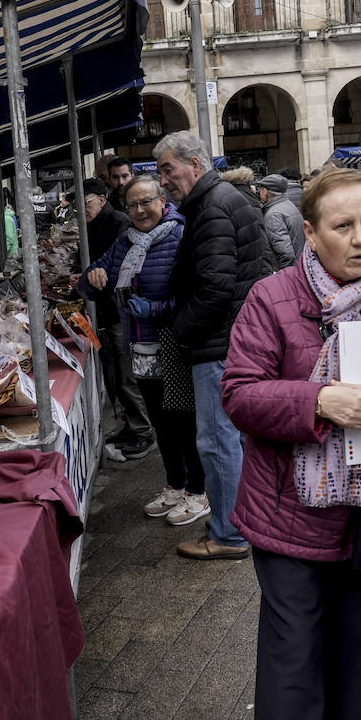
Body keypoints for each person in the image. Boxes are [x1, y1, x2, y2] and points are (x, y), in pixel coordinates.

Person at [222, 167, 361, 719]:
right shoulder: (271, 298)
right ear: (310, 233)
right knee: (291, 669)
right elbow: (240, 394)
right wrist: (316, 402)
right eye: (343, 225)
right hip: (289, 511)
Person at [155, 131, 268, 560]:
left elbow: (216, 288)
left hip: (216, 343)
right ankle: (235, 521)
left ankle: (229, 535)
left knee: (218, 441)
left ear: (195, 165)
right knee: (228, 440)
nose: (163, 179)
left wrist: (180, 330)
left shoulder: (214, 206)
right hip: (226, 339)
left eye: (169, 169)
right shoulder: (216, 202)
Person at [78, 174, 207, 525]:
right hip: (140, 344)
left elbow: (193, 296)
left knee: (184, 420)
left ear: (163, 202)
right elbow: (89, 278)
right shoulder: (125, 242)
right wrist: (93, 278)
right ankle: (174, 485)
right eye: (132, 204)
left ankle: (200, 491)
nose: (139, 210)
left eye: (146, 201)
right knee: (161, 422)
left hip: (174, 342)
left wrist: (154, 309)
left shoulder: (181, 236)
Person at [72, 178, 154, 458]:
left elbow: (122, 270)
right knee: (115, 375)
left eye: (86, 203)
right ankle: (130, 425)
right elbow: (95, 268)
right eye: (78, 205)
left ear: (102, 199)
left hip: (121, 312)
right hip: (107, 311)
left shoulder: (117, 223)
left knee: (126, 374)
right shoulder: (98, 225)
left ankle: (142, 430)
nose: (82, 209)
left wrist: (99, 278)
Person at [255, 173, 304, 269]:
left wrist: (283, 277)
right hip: (298, 266)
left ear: (265, 192)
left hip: (288, 272)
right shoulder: (288, 204)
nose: (260, 193)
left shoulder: (274, 214)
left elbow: (286, 253)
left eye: (261, 190)